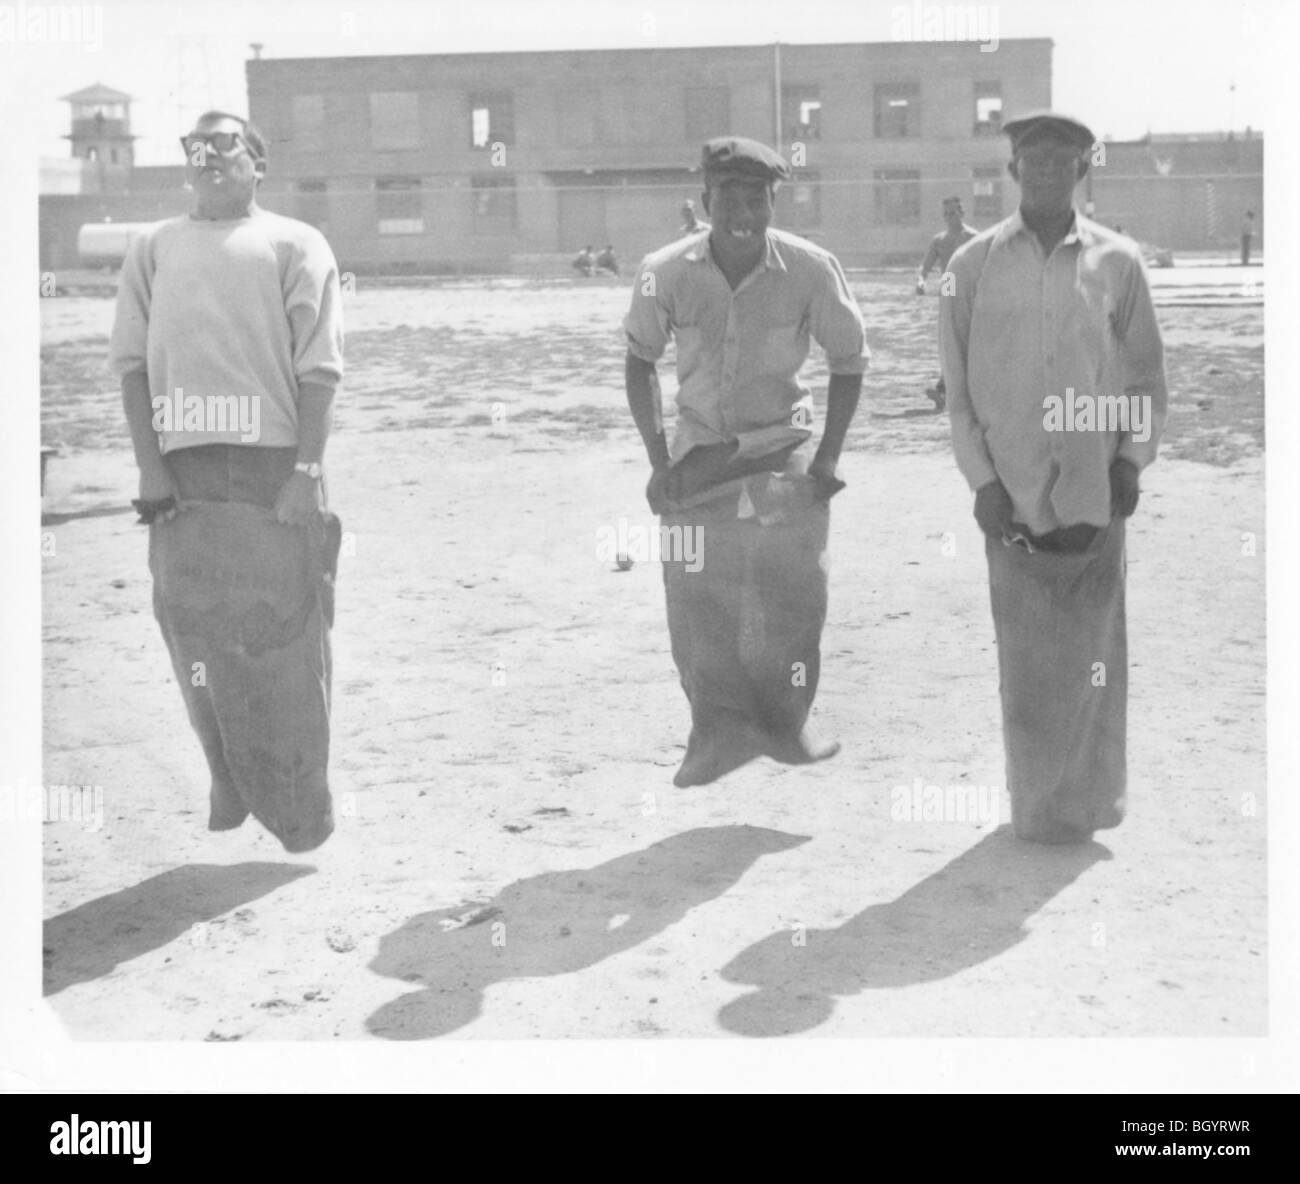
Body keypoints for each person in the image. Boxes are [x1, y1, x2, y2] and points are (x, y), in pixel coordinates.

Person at [109, 111, 344, 853]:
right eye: (196, 147)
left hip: (273, 464)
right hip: (184, 468)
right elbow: (132, 365)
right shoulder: (152, 247)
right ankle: (225, 775)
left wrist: (305, 470)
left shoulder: (294, 243)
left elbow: (320, 370)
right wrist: (151, 464)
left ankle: (302, 807)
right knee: (189, 630)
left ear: (258, 162)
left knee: (286, 638)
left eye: (226, 145)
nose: (209, 156)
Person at [938, 111, 1167, 844]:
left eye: (1061, 160)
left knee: (1095, 655)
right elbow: (957, 384)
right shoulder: (970, 267)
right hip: (1012, 492)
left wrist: (1131, 459)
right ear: (1012, 171)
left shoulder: (1118, 262)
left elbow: (1145, 371)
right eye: (1032, 160)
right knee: (1029, 657)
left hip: (1091, 483)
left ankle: (1090, 804)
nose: (1045, 171)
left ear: (1082, 170)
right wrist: (981, 482)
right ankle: (1037, 808)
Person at [624, 136, 867, 787]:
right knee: (696, 594)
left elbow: (850, 359)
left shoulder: (811, 269)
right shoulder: (666, 271)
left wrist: (829, 458)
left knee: (794, 593)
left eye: (756, 199)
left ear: (772, 202)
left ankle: (789, 725)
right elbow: (639, 360)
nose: (742, 213)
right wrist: (658, 462)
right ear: (705, 201)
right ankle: (712, 735)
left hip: (782, 450)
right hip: (700, 458)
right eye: (727, 197)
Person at [915, 196, 977, 410]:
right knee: (949, 342)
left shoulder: (974, 238)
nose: (949, 218)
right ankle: (944, 390)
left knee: (969, 343)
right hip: (948, 291)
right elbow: (925, 268)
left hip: (969, 294)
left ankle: (954, 390)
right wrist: (921, 282)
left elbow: (984, 267)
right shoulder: (939, 241)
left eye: (953, 213)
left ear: (962, 213)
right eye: (946, 214)